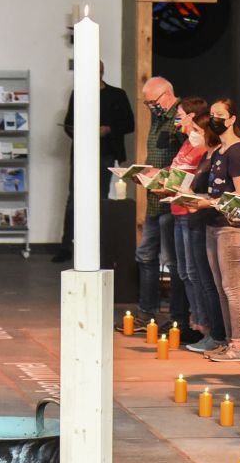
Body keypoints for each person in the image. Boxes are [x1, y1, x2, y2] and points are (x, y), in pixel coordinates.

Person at [56, 61, 136, 264]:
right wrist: (79, 130)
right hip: (82, 152)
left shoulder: (117, 95)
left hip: (107, 152)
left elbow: (129, 123)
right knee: (74, 198)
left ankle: (98, 245)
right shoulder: (79, 94)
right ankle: (67, 246)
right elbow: (68, 124)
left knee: (100, 198)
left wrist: (108, 129)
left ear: (102, 72)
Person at [192, 98, 240, 361]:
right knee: (220, 287)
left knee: (231, 287)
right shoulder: (219, 150)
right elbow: (216, 189)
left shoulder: (237, 151)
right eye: (212, 114)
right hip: (213, 224)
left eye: (220, 115)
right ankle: (229, 340)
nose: (215, 119)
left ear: (231, 119)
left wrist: (210, 202)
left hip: (230, 227)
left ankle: (239, 343)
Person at [135, 77, 187, 327]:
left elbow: (186, 162)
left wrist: (161, 174)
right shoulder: (157, 118)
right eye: (146, 103)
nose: (149, 107)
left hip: (171, 201)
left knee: (173, 261)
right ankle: (147, 312)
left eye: (152, 102)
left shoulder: (179, 118)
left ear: (167, 95)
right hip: (154, 201)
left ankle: (178, 317)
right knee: (145, 255)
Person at [163, 103, 214, 349]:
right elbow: (175, 172)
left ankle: (203, 324)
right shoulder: (186, 144)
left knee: (194, 272)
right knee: (184, 272)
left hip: (191, 212)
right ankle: (196, 321)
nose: (178, 120)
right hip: (177, 209)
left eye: (182, 116)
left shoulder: (203, 149)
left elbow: (192, 180)